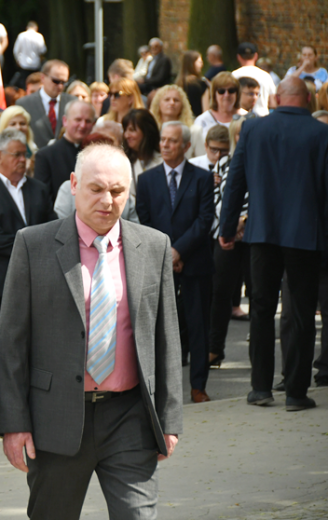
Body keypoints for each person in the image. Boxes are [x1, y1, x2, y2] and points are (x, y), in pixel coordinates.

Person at [0, 143, 183, 520]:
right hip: (56, 419)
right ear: (74, 185)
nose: (107, 200)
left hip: (129, 417)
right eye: (96, 189)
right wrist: (13, 424)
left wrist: (169, 418)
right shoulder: (33, 245)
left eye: (117, 190)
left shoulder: (154, 246)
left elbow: (167, 339)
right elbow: (11, 343)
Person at [219, 77, 328, 411]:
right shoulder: (321, 133)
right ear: (308, 98)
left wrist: (226, 228)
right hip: (305, 236)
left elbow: (235, 183)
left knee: (262, 309)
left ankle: (260, 387)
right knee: (303, 313)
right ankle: (296, 392)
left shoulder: (253, 131)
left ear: (277, 97)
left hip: (262, 233)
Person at [0, 128, 56, 420]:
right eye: (17, 154)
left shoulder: (39, 189)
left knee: (36, 340)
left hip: (35, 279)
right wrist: (30, 244)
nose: (23, 160)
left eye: (25, 154)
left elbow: (51, 228)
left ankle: (33, 394)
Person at [137, 121, 214, 403]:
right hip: (159, 263)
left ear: (185, 146)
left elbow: (205, 220)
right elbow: (144, 222)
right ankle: (161, 389)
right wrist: (166, 254)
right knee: (160, 327)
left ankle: (198, 386)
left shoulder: (202, 178)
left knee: (197, 325)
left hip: (194, 263)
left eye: (172, 141)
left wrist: (179, 252)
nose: (165, 145)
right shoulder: (146, 180)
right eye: (163, 140)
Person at [208, 116, 249, 369]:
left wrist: (245, 220)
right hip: (225, 236)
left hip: (255, 235)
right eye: (238, 134)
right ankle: (214, 349)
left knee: (259, 297)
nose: (242, 139)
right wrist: (229, 227)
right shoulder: (223, 162)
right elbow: (216, 197)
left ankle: (258, 353)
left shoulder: (266, 163)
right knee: (219, 292)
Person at [33, 100, 95, 202]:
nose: (83, 125)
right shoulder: (46, 156)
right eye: (78, 120)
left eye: (88, 121)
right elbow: (42, 200)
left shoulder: (96, 155)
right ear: (65, 121)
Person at [16, 60, 74, 149]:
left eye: (64, 83)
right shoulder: (24, 104)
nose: (60, 86)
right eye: (56, 81)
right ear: (43, 78)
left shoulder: (73, 102)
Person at [193, 72, 245, 143]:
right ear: (214, 94)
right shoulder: (202, 121)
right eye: (221, 91)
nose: (226, 95)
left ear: (237, 93)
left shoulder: (246, 118)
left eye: (231, 91)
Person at [232, 42, 277, 116]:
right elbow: (273, 103)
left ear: (238, 57)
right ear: (256, 56)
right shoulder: (266, 75)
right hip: (263, 118)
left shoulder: (234, 75)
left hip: (241, 118)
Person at [122, 108, 162, 188]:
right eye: (125, 130)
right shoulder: (123, 162)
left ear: (147, 132)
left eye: (132, 130)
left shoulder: (163, 162)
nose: (126, 135)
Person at [12, 22, 46, 90]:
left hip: (24, 64)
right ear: (36, 28)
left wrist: (18, 60)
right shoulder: (39, 36)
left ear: (27, 27)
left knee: (24, 82)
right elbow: (42, 50)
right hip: (35, 64)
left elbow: (16, 50)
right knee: (35, 81)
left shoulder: (21, 36)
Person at [176, 50, 209, 117]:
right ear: (192, 64)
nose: (202, 64)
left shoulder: (179, 83)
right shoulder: (199, 84)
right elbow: (206, 107)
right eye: (199, 62)